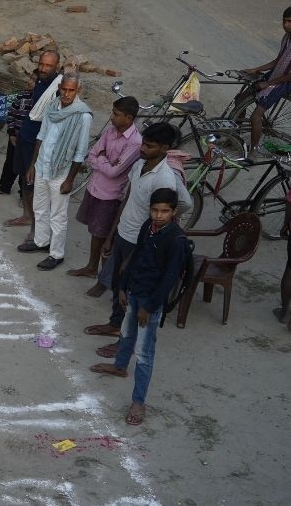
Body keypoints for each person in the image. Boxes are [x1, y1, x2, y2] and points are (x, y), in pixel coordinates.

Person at [89, 188, 189, 427]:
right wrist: (122, 287)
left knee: (144, 353)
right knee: (126, 332)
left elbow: (170, 278)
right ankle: (120, 366)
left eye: (164, 211)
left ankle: (138, 401)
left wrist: (151, 306)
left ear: (174, 212)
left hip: (150, 301)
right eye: (155, 210)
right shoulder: (147, 227)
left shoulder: (176, 240)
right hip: (133, 291)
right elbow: (134, 258)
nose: (158, 215)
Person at [83, 123, 191, 341]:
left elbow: (174, 209)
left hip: (139, 242)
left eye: (149, 146)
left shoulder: (165, 179)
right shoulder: (139, 164)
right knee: (118, 285)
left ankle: (123, 338)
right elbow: (127, 200)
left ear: (164, 148)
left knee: (131, 293)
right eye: (143, 144)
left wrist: (134, 256)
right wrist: (112, 235)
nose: (143, 149)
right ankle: (115, 324)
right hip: (124, 233)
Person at [18, 72, 91, 270]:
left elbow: (80, 151)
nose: (67, 94)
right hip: (42, 165)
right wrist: (33, 164)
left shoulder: (83, 115)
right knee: (40, 208)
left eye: (71, 90)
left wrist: (70, 179)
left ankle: (57, 254)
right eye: (64, 89)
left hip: (61, 172)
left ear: (78, 91)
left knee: (57, 216)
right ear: (60, 88)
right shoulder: (52, 106)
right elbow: (41, 136)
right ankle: (41, 242)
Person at [68, 97, 142, 278]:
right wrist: (104, 161)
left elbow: (114, 172)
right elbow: (92, 154)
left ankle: (104, 277)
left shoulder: (135, 142)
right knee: (96, 233)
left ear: (129, 118)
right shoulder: (110, 131)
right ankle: (92, 268)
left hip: (110, 196)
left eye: (116, 114)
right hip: (95, 189)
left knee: (105, 237)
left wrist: (102, 159)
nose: (111, 117)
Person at [0, 51, 62, 238]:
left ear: (56, 67)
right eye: (41, 64)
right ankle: (27, 216)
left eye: (48, 66)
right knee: (25, 182)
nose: (42, 68)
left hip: (40, 143)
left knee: (36, 186)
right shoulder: (40, 82)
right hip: (25, 138)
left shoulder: (58, 87)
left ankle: (37, 230)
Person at [240, 6, 291, 155]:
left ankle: (253, 151)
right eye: (284, 21)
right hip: (276, 74)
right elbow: (278, 60)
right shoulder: (286, 38)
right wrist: (256, 69)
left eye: (290, 22)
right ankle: (232, 138)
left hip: (285, 81)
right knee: (240, 98)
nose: (286, 25)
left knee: (256, 116)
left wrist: (268, 83)